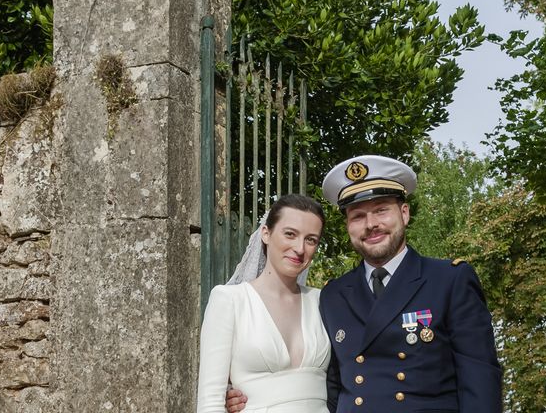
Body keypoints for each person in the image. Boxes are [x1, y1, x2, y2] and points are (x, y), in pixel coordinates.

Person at [226, 155, 502, 412]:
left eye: (381, 210)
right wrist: (253, 393)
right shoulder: (334, 294)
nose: (370, 224)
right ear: (348, 226)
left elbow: (480, 380)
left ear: (404, 214)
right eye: (357, 216)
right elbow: (324, 383)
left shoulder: (449, 280)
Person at [197, 194, 332, 413]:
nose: (299, 248)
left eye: (311, 240)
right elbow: (210, 401)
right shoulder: (229, 300)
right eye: (290, 234)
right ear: (266, 234)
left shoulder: (322, 301)